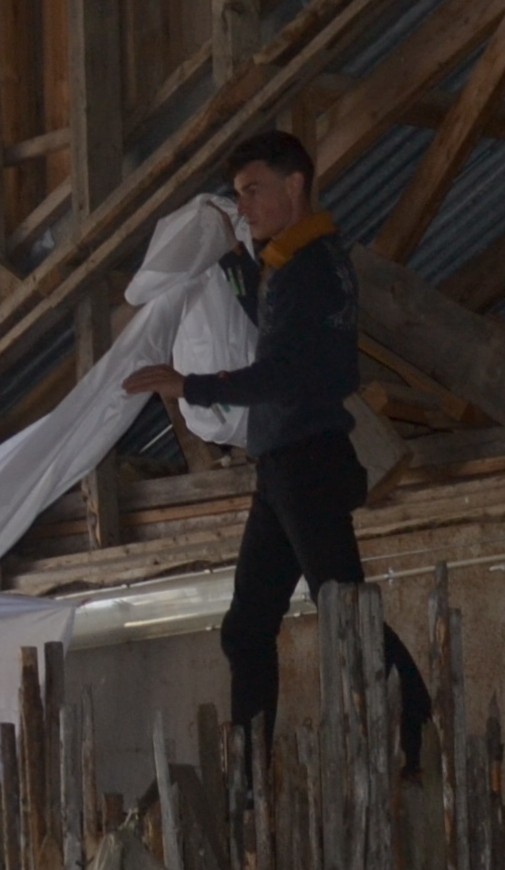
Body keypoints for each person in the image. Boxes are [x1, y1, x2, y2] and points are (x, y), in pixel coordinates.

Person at [125, 128, 431, 767]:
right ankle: (250, 777)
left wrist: (192, 385)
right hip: (288, 460)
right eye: (238, 195)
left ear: (294, 185)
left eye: (254, 190)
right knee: (250, 628)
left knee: (342, 607)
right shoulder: (306, 260)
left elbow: (284, 373)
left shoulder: (308, 269)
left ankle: (415, 728)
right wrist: (231, 264)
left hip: (304, 458)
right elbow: (284, 340)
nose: (245, 207)